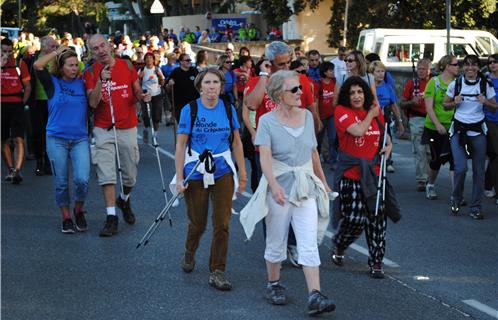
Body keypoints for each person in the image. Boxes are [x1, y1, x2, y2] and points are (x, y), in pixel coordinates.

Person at [240, 70, 335, 315]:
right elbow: (265, 157)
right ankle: (273, 284)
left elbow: (313, 153)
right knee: (277, 239)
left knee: (308, 240)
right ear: (279, 95)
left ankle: (315, 294)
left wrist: (323, 182)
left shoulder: (305, 116)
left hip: (305, 186)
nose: (300, 93)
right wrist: (274, 184)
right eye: (294, 89)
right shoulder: (267, 122)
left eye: (300, 88)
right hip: (280, 186)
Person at [244, 41, 318, 267]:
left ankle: (294, 245)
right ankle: (275, 248)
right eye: (280, 64)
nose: (286, 67)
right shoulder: (259, 81)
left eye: (289, 62)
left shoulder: (301, 81)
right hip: (267, 152)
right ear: (269, 63)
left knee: (298, 197)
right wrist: (265, 75)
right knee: (272, 200)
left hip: (296, 153)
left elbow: (308, 110)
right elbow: (251, 105)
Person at [174, 68, 247, 290]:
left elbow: (236, 142)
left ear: (221, 85)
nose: (212, 86)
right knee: (198, 222)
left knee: (222, 223)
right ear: (200, 86)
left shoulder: (227, 108)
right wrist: (179, 178)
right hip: (196, 169)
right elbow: (180, 144)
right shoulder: (190, 109)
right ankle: (189, 250)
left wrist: (242, 174)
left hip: (223, 169)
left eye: (216, 82)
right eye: (207, 82)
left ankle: (217, 270)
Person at [83, 34, 151, 237]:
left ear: (109, 46)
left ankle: (124, 198)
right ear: (91, 52)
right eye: (95, 48)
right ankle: (111, 216)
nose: (100, 50)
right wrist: (100, 82)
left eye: (102, 45)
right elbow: (93, 104)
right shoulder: (90, 72)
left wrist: (142, 96)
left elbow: (136, 91)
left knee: (130, 175)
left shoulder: (127, 66)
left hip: (127, 127)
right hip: (103, 128)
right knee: (106, 173)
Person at [331, 76, 392, 278]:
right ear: (346, 96)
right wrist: (372, 114)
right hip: (351, 174)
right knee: (356, 218)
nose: (356, 96)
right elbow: (358, 131)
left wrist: (389, 147)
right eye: (352, 93)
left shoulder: (373, 112)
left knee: (377, 219)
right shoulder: (341, 112)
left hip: (374, 174)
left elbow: (385, 136)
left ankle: (376, 261)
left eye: (360, 92)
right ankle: (340, 243)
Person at [33, 46, 90, 233]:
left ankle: (79, 209)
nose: (74, 68)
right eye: (70, 65)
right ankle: (66, 217)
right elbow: (38, 65)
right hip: (56, 138)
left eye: (76, 65)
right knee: (61, 182)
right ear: (61, 66)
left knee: (82, 179)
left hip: (80, 139)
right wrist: (58, 52)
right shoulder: (52, 83)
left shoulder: (82, 83)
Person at [443, 55, 497, 219]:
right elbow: (445, 105)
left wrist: (485, 102)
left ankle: (475, 208)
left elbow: (495, 107)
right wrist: (454, 102)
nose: (470, 68)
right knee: (460, 168)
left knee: (479, 171)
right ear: (463, 67)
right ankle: (456, 198)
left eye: (474, 65)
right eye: (467, 65)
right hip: (459, 131)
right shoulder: (456, 84)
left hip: (478, 131)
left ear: (478, 68)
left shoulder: (485, 84)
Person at [422, 55, 459, 200]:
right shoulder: (434, 82)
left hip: (453, 127)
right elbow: (429, 107)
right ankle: (430, 184)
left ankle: (456, 193)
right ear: (447, 66)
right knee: (437, 159)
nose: (458, 67)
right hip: (434, 127)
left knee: (454, 159)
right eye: (455, 64)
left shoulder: (458, 83)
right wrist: (437, 124)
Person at [1, 38, 31, 184]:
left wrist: (22, 102)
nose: (7, 54)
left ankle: (18, 171)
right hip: (1, 105)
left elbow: (28, 86)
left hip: (16, 104)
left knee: (19, 138)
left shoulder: (19, 63)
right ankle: (11, 169)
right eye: (3, 51)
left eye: (9, 51)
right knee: (3, 139)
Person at [400, 58, 432, 191]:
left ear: (429, 70)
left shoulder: (434, 83)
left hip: (432, 120)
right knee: (420, 150)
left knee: (430, 151)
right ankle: (422, 179)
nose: (421, 71)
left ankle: (430, 177)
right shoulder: (411, 84)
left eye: (424, 69)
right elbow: (401, 103)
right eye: (419, 68)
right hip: (416, 118)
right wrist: (412, 102)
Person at [369, 60, 404, 173]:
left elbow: (394, 105)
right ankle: (373, 161)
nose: (380, 74)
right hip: (372, 118)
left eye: (382, 71)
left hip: (386, 118)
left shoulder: (388, 87)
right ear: (372, 73)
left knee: (387, 139)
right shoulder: (368, 87)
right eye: (378, 71)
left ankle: (388, 161)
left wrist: (400, 122)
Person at [31, 36, 58, 176]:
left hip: (52, 101)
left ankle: (48, 162)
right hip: (37, 101)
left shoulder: (57, 60)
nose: (55, 49)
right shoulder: (34, 59)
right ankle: (39, 161)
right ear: (44, 47)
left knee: (50, 133)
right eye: (52, 46)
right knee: (38, 133)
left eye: (56, 46)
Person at [315, 61, 338, 169]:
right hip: (322, 116)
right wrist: (318, 118)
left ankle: (332, 160)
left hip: (332, 115)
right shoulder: (318, 84)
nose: (333, 72)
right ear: (325, 72)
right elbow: (315, 102)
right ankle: (316, 159)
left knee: (332, 138)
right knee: (319, 139)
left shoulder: (335, 82)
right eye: (331, 70)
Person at [138, 52, 165, 143]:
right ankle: (146, 130)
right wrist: (139, 77)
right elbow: (136, 84)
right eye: (147, 58)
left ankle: (155, 136)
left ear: (153, 60)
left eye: (150, 58)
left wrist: (160, 75)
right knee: (145, 115)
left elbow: (162, 83)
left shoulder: (157, 69)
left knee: (156, 116)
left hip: (156, 94)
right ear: (145, 60)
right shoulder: (142, 70)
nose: (149, 59)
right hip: (146, 95)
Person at [168, 53, 199, 122]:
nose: (189, 62)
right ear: (181, 62)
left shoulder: (194, 70)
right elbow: (167, 87)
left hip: (194, 102)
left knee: (194, 123)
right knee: (183, 124)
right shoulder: (176, 72)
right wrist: (170, 84)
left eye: (190, 60)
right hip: (180, 104)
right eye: (187, 60)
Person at [484, 54, 498, 205]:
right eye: (490, 62)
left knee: (495, 155)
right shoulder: (486, 79)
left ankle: (488, 183)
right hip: (491, 119)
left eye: (495, 62)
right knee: (495, 154)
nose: (492, 64)